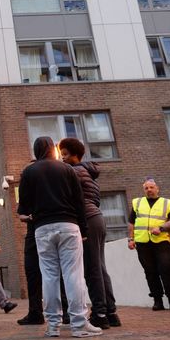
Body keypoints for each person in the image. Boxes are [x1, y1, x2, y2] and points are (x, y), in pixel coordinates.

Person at [18, 136, 102, 338]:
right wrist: (83, 229)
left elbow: (23, 208)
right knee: (73, 274)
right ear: (52, 149)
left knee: (49, 276)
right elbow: (79, 202)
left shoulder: (28, 172)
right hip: (68, 225)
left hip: (42, 228)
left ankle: (53, 325)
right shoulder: (66, 169)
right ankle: (79, 324)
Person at [59, 138, 121, 329]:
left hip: (87, 220)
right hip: (97, 219)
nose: (62, 159)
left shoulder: (75, 171)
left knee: (92, 269)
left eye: (65, 155)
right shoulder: (87, 171)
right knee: (100, 267)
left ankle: (100, 314)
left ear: (75, 155)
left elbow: (66, 195)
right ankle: (111, 312)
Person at [127, 178, 170, 311]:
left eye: (151, 187)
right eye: (146, 188)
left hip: (161, 241)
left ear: (157, 188)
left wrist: (162, 228)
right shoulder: (137, 202)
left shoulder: (167, 203)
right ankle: (157, 301)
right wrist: (131, 239)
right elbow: (131, 223)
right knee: (150, 272)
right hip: (142, 242)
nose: (149, 190)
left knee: (167, 268)